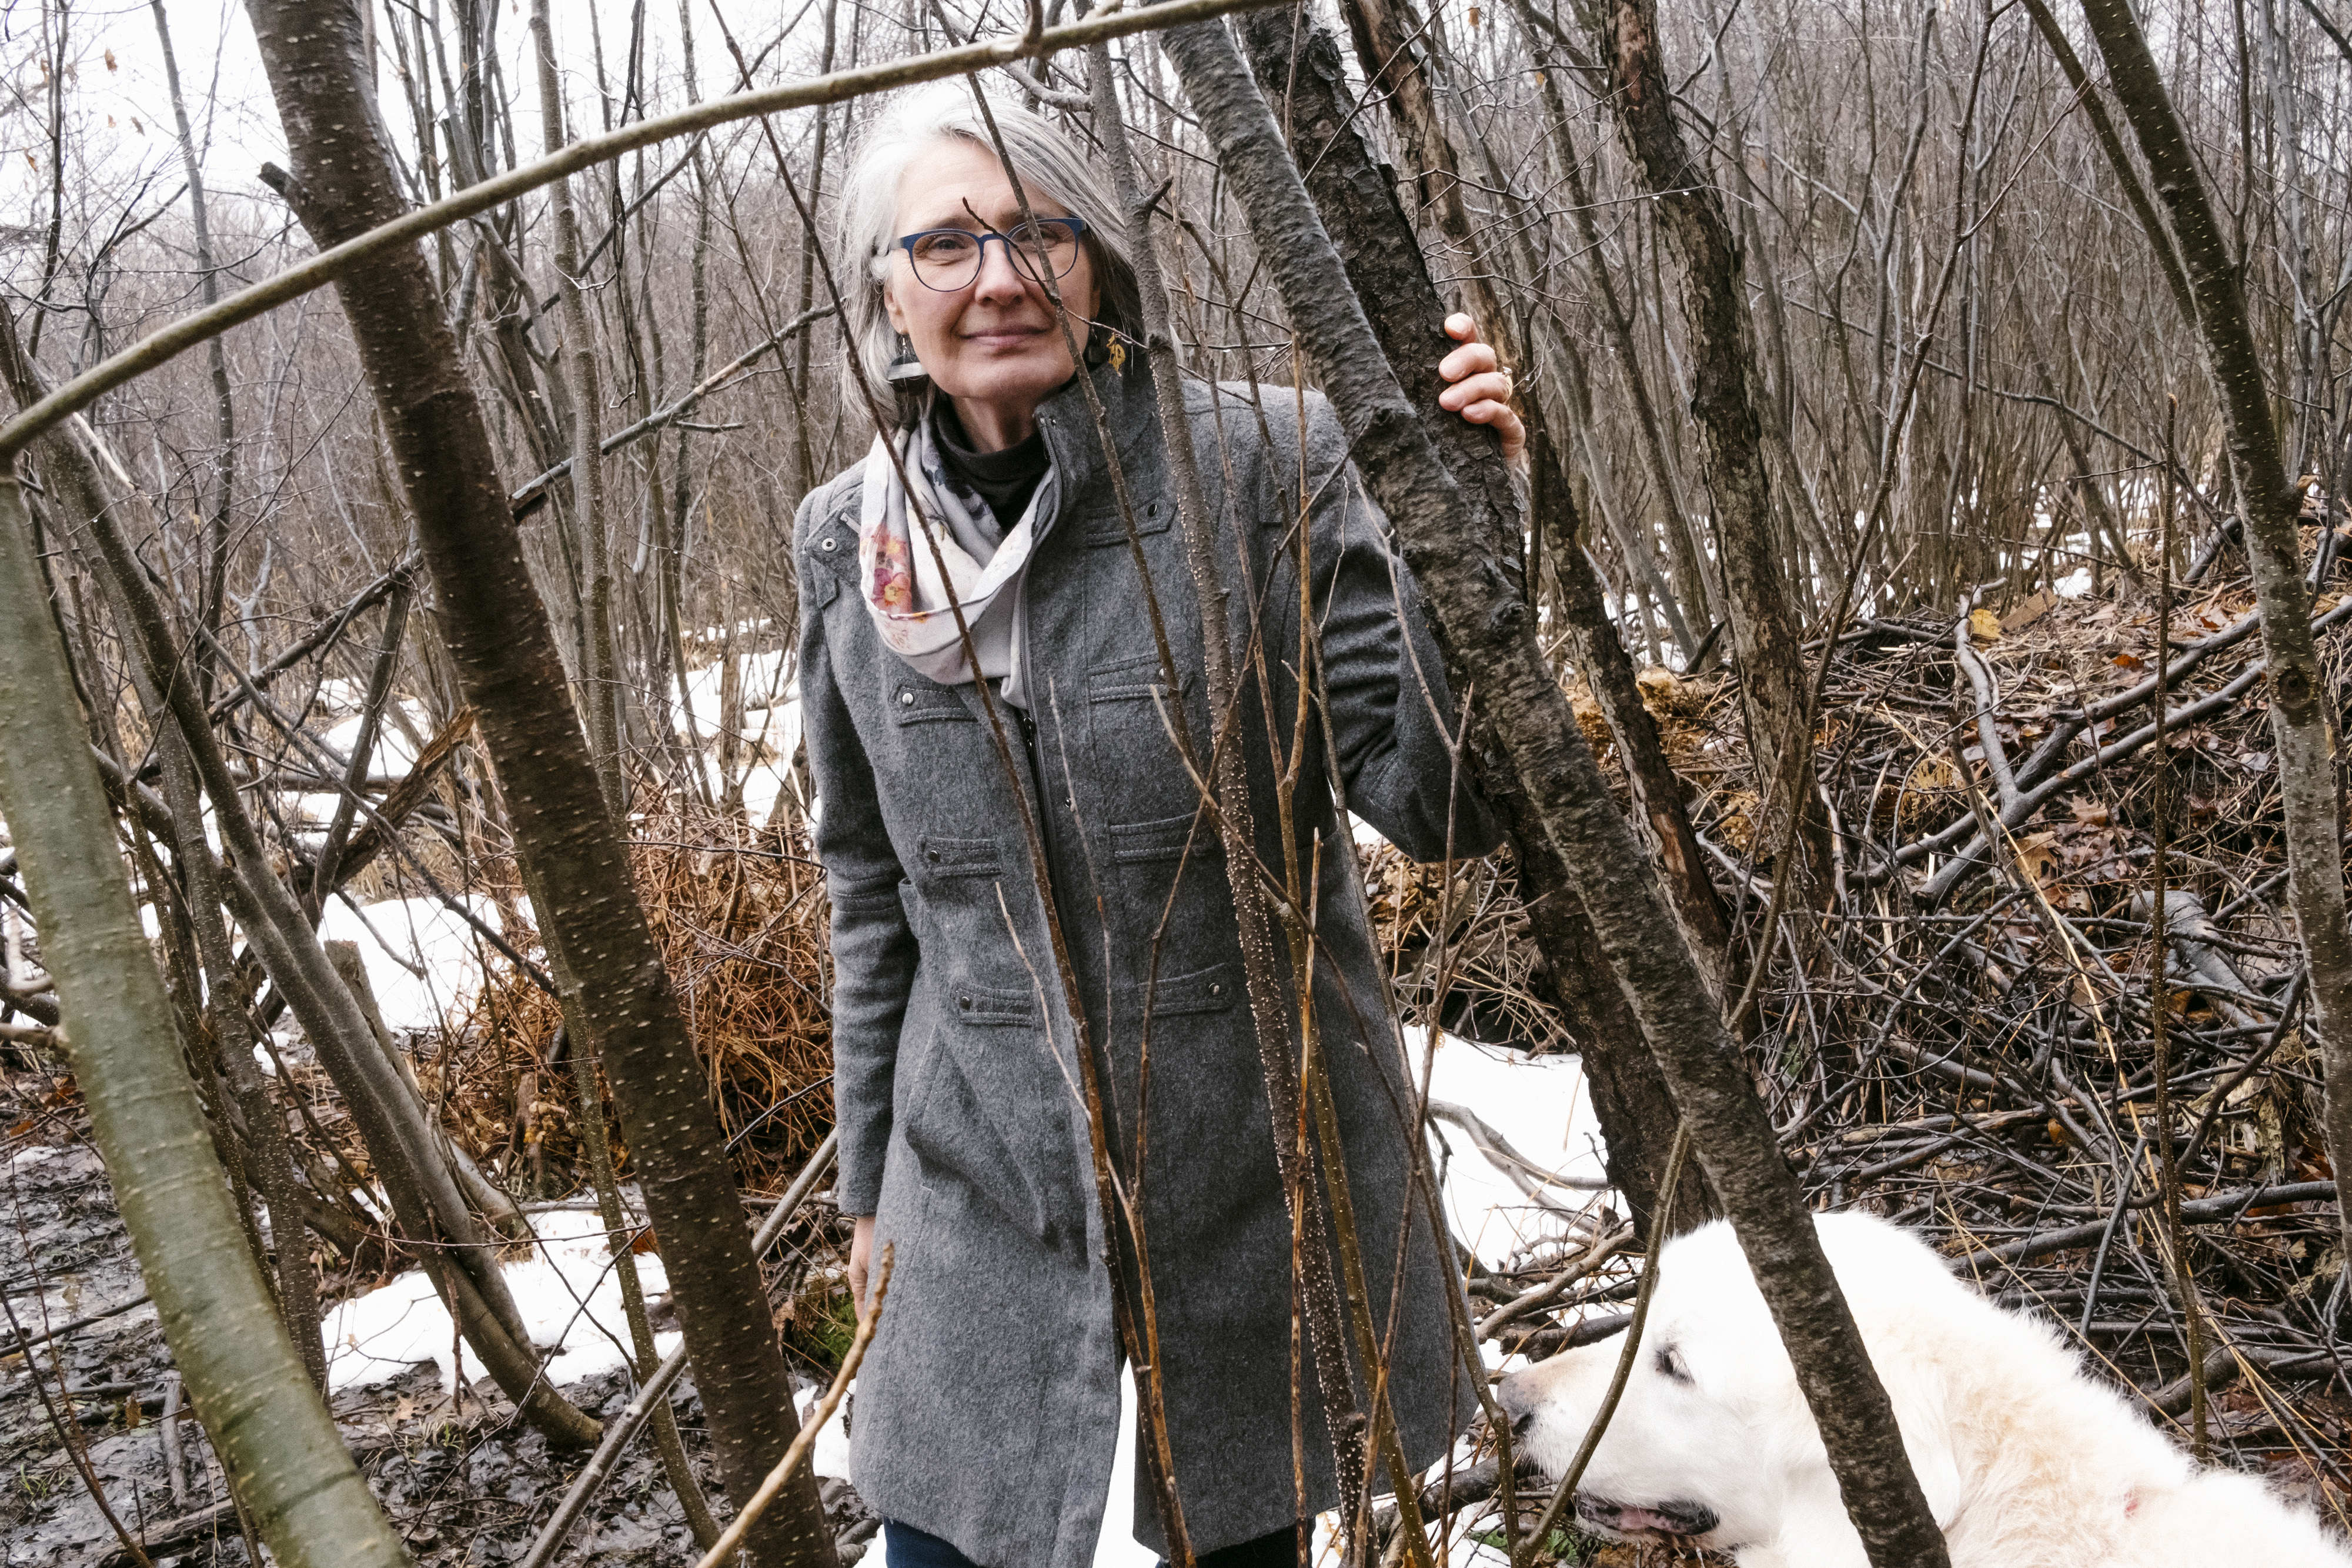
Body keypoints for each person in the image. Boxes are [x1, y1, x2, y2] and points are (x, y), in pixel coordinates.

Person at [796, 84, 1523, 1568]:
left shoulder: (1263, 465)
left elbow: (1435, 801)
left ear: (1100, 262)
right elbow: (870, 889)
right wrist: (865, 1180)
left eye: (1037, 234)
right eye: (943, 245)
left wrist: (1472, 527)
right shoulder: (845, 536)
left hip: (1253, 1159)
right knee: (943, 1542)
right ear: (887, 290)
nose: (996, 278)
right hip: (976, 1170)